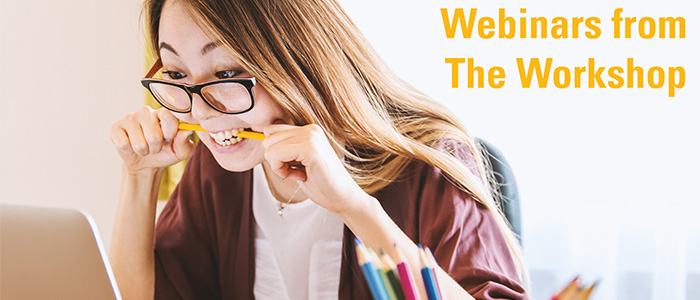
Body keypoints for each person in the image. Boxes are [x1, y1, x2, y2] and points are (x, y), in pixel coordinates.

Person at [109, 0, 529, 299]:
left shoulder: (427, 162)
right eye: (178, 73)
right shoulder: (220, 166)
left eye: (226, 72)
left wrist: (353, 207)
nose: (201, 111)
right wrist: (139, 175)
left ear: (297, 59)